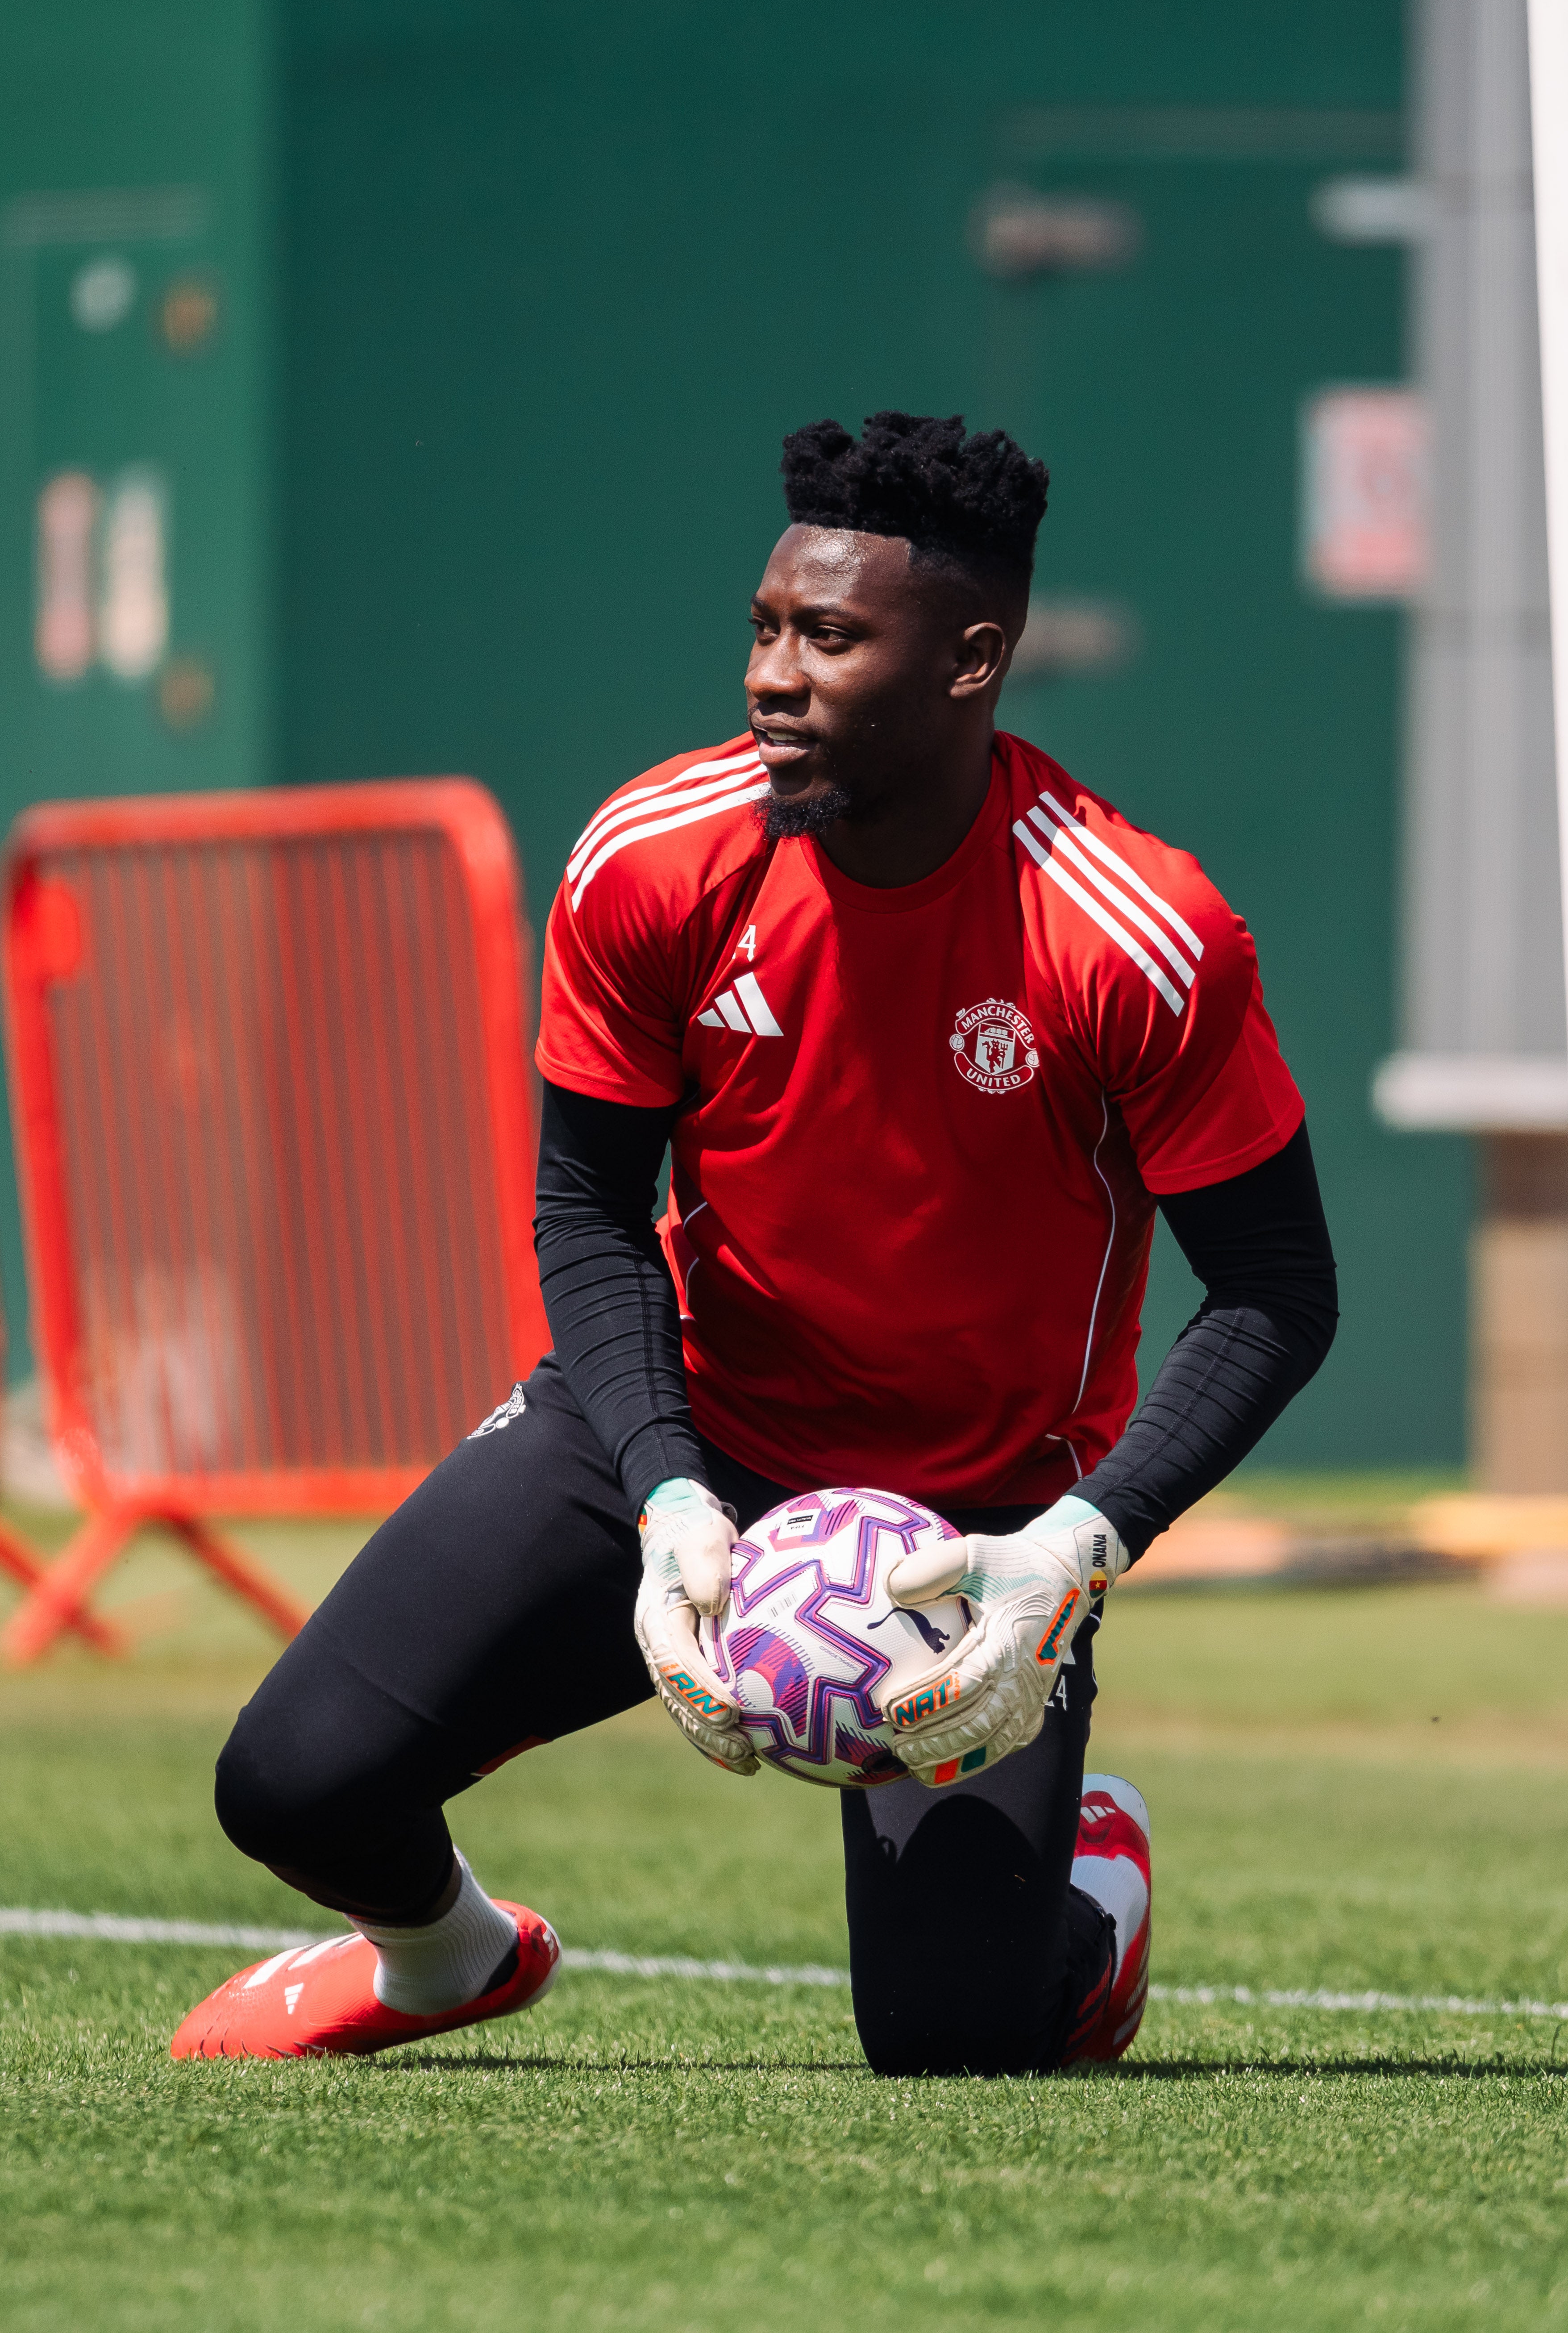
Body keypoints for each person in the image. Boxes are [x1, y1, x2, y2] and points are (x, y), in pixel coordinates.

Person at [176, 412, 1340, 2075]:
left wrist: (1075, 1551)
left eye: (831, 637)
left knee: (959, 2042)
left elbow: (1281, 1293)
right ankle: (445, 1960)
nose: (773, 677)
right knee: (292, 1783)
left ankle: (1093, 1882)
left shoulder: (1133, 932)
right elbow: (585, 1208)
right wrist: (661, 1492)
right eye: (765, 627)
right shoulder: (653, 859)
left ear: (971, 661)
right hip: (689, 1432)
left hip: (974, 1523)